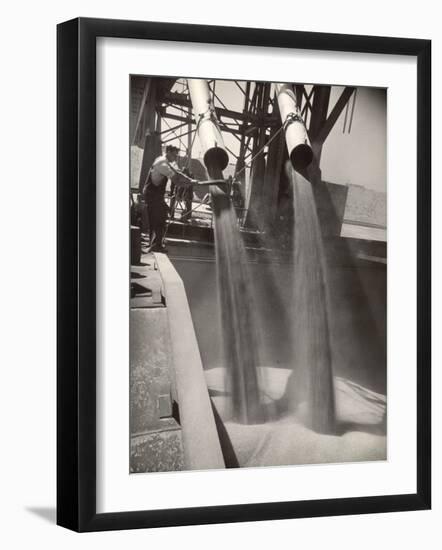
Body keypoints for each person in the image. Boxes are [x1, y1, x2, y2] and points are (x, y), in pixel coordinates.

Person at [143, 145, 195, 252]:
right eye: (175, 155)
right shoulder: (162, 164)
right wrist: (190, 183)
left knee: (157, 218)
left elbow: (177, 173)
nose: (176, 158)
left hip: (155, 194)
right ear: (168, 152)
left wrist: (189, 179)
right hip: (152, 194)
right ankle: (156, 245)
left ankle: (154, 244)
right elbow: (176, 179)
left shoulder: (165, 161)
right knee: (160, 218)